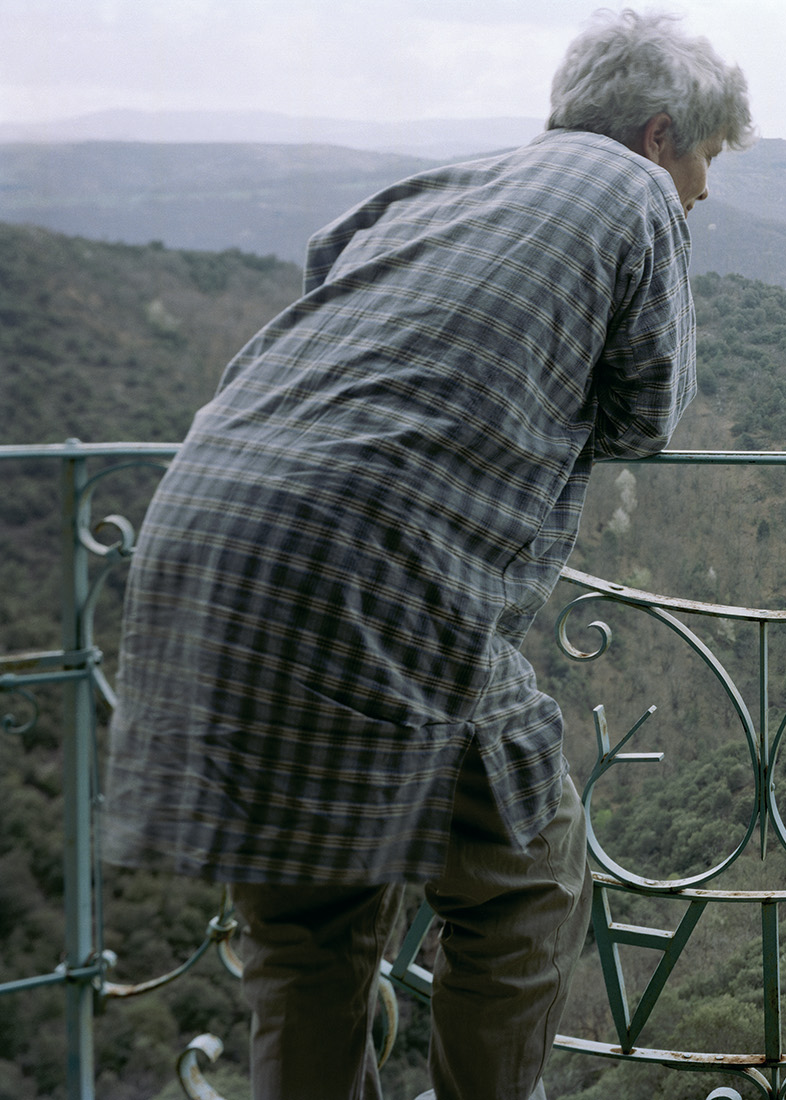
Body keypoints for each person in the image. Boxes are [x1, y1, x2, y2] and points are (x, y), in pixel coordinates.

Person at [102, 9, 752, 1099]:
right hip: (370, 571)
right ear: (658, 136)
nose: (701, 192)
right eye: (705, 163)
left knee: (310, 934)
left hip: (202, 543)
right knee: (527, 872)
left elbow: (327, 266)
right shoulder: (634, 188)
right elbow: (646, 414)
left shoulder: (442, 186)